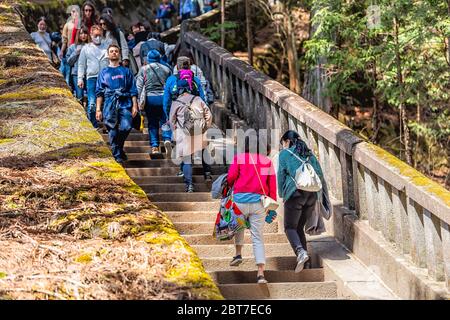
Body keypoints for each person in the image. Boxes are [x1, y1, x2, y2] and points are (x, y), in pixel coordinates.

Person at [226, 136, 277, 284]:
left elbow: (231, 178)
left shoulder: (240, 158)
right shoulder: (267, 161)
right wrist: (271, 207)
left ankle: (238, 253)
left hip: (240, 201)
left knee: (238, 227)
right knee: (258, 237)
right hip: (259, 203)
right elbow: (272, 185)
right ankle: (260, 273)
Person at [277, 130, 326, 273]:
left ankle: (301, 252)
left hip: (295, 194)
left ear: (287, 141)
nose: (283, 146)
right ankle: (307, 264)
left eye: (283, 143)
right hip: (311, 195)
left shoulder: (285, 154)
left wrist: (282, 194)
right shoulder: (309, 154)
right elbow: (320, 174)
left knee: (289, 227)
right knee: (298, 228)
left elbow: (280, 175)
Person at [169, 71, 212, 192]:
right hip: (200, 131)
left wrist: (176, 133)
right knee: (204, 152)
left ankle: (190, 186)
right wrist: (205, 128)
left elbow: (172, 121)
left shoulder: (176, 103)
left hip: (184, 133)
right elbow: (209, 115)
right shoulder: (198, 99)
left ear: (179, 90)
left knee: (187, 159)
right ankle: (207, 174)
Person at [96, 44, 139, 164]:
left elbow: (133, 89)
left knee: (127, 126)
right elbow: (99, 92)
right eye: (111, 51)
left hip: (125, 102)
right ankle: (117, 155)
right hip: (109, 103)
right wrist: (98, 109)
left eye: (116, 51)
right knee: (112, 129)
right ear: (108, 54)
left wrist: (135, 105)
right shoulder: (103, 72)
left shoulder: (126, 71)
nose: (114, 53)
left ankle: (118, 147)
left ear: (119, 54)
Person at [136, 49, 172, 156]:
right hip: (163, 98)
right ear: (159, 58)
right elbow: (170, 85)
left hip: (150, 98)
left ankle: (155, 146)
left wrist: (137, 100)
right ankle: (167, 138)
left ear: (148, 59)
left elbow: (139, 86)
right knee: (165, 120)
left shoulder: (143, 69)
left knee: (152, 123)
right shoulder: (166, 69)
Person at [78, 24, 111, 129]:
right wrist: (80, 78)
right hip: (91, 78)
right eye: (95, 35)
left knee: (107, 100)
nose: (98, 37)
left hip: (106, 77)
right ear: (91, 35)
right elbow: (81, 64)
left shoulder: (107, 47)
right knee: (92, 102)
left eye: (100, 35)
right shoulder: (86, 48)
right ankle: (93, 125)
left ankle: (108, 124)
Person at [67, 26, 90, 103]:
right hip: (76, 74)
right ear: (78, 35)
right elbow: (69, 62)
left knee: (91, 96)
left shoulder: (91, 46)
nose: (83, 35)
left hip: (89, 74)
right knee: (79, 96)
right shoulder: (72, 47)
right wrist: (76, 52)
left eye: (85, 33)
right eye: (81, 33)